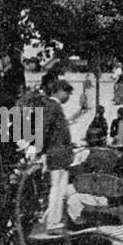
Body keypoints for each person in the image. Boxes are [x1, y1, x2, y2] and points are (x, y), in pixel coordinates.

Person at [41, 79, 74, 233]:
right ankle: (52, 222)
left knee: (60, 189)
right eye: (67, 92)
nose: (68, 96)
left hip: (60, 153)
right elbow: (45, 129)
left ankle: (55, 220)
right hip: (57, 153)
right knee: (57, 189)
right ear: (58, 91)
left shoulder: (54, 107)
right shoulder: (52, 106)